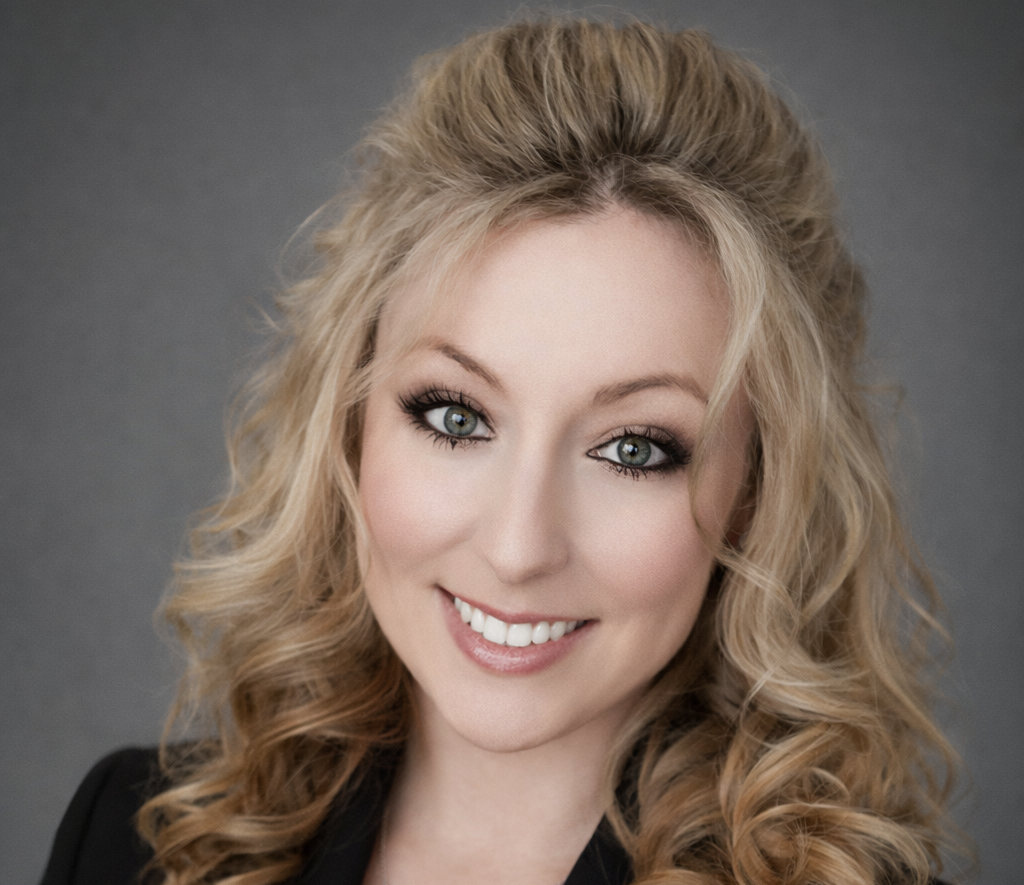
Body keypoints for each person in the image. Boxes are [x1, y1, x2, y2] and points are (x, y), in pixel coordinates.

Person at [41, 17, 964, 885]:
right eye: (456, 417)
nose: (520, 548)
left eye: (633, 448)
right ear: (350, 420)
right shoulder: (128, 841)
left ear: (756, 489)